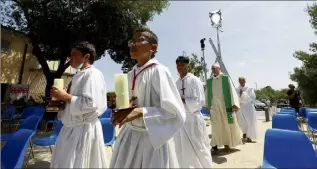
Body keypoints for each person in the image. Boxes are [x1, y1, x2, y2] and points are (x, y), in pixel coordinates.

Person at [110, 27, 186, 168]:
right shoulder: (130, 74)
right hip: (128, 136)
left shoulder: (159, 71)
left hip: (151, 140)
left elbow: (174, 113)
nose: (133, 44)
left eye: (140, 40)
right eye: (132, 41)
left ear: (153, 47)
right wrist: (120, 105)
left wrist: (141, 112)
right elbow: (130, 103)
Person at [50, 41, 108, 168]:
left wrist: (65, 96)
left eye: (74, 54)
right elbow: (73, 101)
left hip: (83, 130)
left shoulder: (92, 74)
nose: (70, 58)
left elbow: (91, 103)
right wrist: (59, 100)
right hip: (70, 129)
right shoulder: (79, 75)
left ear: (86, 57)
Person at [173, 56, 212, 168]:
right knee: (182, 149)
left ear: (187, 65)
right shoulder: (176, 83)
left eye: (181, 65)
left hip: (193, 119)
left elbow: (200, 101)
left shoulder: (195, 80)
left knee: (199, 148)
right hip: (181, 121)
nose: (179, 67)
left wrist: (183, 100)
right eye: (177, 65)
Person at [206, 62, 242, 154]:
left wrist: (235, 104)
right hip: (214, 106)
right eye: (212, 68)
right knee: (215, 126)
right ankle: (214, 145)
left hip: (225, 105)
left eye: (215, 68)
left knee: (226, 125)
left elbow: (232, 91)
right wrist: (207, 105)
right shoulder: (209, 81)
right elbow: (206, 93)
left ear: (219, 69)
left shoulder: (226, 79)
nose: (213, 70)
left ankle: (227, 143)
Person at [235, 77, 258, 142]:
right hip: (241, 107)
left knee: (250, 121)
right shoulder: (236, 88)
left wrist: (243, 94)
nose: (242, 83)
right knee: (242, 121)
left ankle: (249, 136)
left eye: (243, 81)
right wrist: (239, 94)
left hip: (248, 107)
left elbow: (253, 97)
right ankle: (245, 132)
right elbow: (235, 97)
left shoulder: (250, 88)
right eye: (240, 81)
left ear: (245, 81)